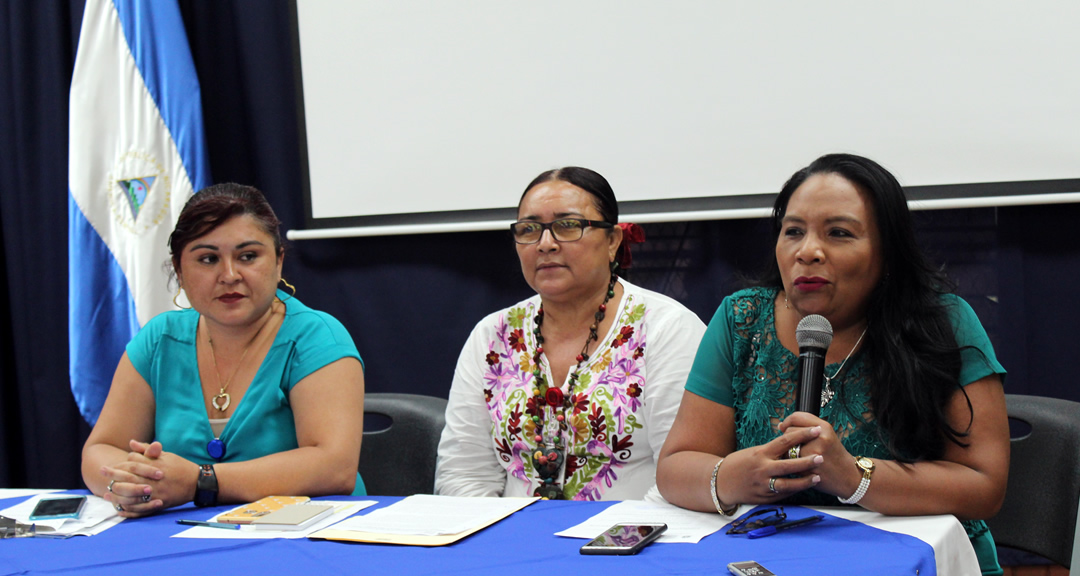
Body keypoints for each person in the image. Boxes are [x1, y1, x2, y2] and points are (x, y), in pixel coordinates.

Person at [656, 154, 1009, 575]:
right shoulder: (742, 318)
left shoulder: (943, 322)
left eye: (839, 233)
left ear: (888, 252)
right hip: (772, 558)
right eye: (793, 232)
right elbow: (676, 467)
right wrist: (732, 476)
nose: (808, 252)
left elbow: (984, 485)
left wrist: (855, 477)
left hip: (915, 559)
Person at [82, 183, 366, 517]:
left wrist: (200, 481)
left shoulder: (318, 337)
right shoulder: (159, 338)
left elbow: (334, 468)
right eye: (208, 259)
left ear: (278, 262)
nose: (229, 275)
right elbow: (100, 450)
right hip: (180, 536)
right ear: (180, 271)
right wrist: (133, 485)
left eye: (248, 256)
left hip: (309, 536)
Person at [436, 167, 706, 500]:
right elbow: (464, 471)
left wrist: (609, 541)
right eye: (530, 229)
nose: (545, 244)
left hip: (629, 543)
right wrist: (500, 543)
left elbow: (685, 473)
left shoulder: (667, 330)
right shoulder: (493, 335)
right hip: (512, 543)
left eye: (567, 226)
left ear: (613, 241)